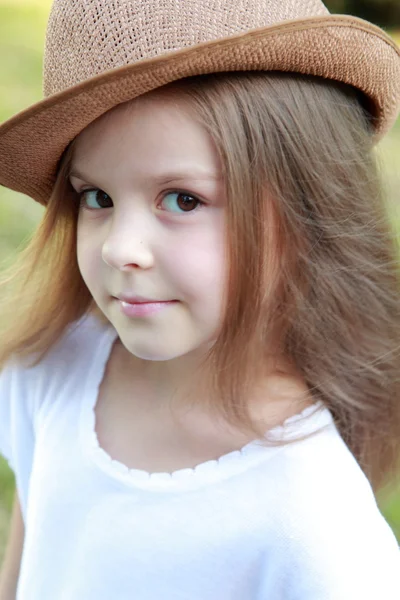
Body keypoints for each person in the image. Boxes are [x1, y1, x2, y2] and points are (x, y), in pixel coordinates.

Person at [0, 0, 399, 598]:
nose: (120, 249)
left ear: (308, 210)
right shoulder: (51, 367)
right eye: (97, 197)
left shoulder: (318, 534)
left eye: (182, 199)